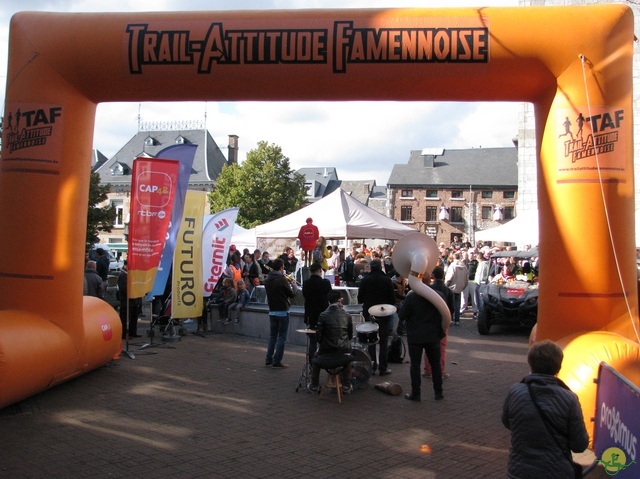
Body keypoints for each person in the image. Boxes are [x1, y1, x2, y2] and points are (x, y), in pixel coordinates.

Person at [502, 340, 589, 478]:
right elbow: (579, 445)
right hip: (556, 472)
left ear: (531, 363)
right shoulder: (569, 398)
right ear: (558, 366)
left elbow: (507, 422)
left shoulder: (515, 391)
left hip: (519, 471)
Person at [398, 274, 446, 401]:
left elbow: (402, 315)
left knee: (415, 364)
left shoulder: (412, 297)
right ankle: (438, 392)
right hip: (433, 335)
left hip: (415, 335)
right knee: (435, 365)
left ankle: (416, 393)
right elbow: (446, 313)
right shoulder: (439, 296)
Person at [308, 291, 354, 394]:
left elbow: (318, 336)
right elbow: (349, 336)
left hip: (326, 352)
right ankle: (346, 385)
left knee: (315, 357)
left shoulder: (323, 315)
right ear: (340, 300)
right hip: (343, 352)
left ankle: (314, 385)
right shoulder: (347, 315)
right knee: (348, 356)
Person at [357, 259, 396, 376]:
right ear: (380, 267)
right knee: (383, 341)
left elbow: (360, 298)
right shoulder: (386, 280)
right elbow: (392, 300)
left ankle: (372, 366)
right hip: (384, 314)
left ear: (371, 268)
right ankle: (383, 368)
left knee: (371, 340)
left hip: (369, 313)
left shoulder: (365, 281)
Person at [264, 258, 298, 368]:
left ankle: (268, 359)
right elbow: (292, 294)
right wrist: (294, 285)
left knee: (272, 336)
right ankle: (277, 360)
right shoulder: (282, 279)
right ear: (281, 267)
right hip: (283, 310)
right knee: (281, 337)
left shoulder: (268, 279)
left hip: (272, 310)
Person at [423, 266, 454, 379]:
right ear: (443, 276)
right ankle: (440, 371)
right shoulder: (448, 290)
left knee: (428, 345)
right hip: (442, 321)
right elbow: (451, 308)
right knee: (442, 347)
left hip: (429, 322)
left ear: (433, 276)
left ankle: (428, 370)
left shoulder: (428, 289)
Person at [302, 262, 332, 361]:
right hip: (324, 314)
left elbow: (305, 296)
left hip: (311, 315)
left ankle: (312, 363)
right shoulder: (325, 283)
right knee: (324, 340)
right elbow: (330, 296)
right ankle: (323, 360)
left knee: (313, 341)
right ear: (320, 271)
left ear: (310, 271)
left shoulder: (306, 283)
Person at [116, 261, 140, 339]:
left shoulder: (130, 274)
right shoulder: (122, 275)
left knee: (133, 317)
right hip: (126, 301)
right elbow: (124, 289)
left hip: (133, 300)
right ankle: (124, 334)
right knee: (125, 318)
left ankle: (132, 332)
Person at [444, 251, 468, 325]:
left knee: (450, 304)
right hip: (460, 287)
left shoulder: (452, 265)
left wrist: (446, 284)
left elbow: (449, 277)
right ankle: (457, 320)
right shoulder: (464, 266)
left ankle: (450, 319)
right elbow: (466, 278)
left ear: (454, 257)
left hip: (451, 287)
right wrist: (463, 286)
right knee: (457, 304)